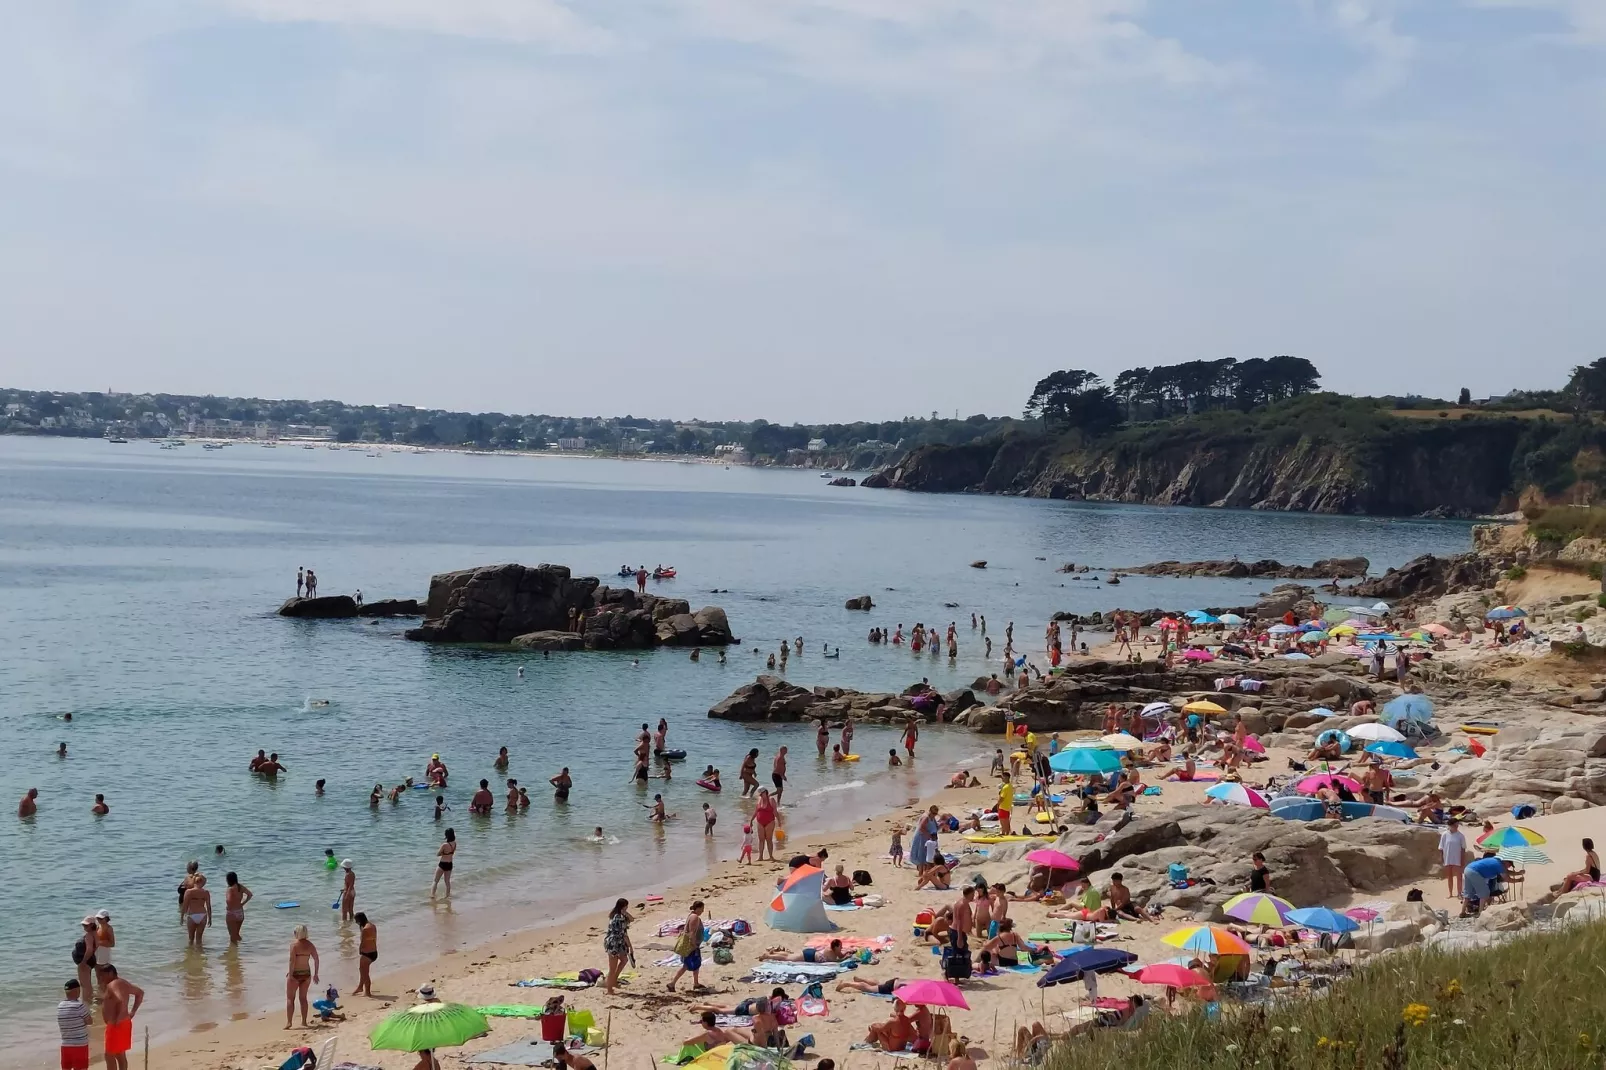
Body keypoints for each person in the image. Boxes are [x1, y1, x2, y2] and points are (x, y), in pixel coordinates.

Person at [97, 964, 143, 1070]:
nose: (101, 979)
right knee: (120, 1055)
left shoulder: (112, 985)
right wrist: (132, 1012)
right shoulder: (123, 983)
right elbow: (140, 993)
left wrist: (118, 1018)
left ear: (110, 973)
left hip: (116, 1025)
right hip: (125, 1023)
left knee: (109, 1056)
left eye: (102, 976)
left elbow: (120, 999)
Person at [285, 925, 319, 1029]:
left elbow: (292, 961)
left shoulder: (294, 945)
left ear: (297, 933)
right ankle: (304, 1021)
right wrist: (316, 974)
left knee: (290, 999)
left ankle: (289, 1022)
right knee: (303, 999)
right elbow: (316, 959)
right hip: (306, 973)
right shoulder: (310, 945)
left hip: (295, 973)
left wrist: (290, 975)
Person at [667, 901, 706, 992]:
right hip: (691, 946)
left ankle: (696, 983)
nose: (703, 911)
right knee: (686, 965)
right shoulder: (694, 917)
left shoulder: (692, 915)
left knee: (696, 965)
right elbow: (691, 933)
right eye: (702, 909)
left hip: (693, 945)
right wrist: (694, 945)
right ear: (698, 908)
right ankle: (672, 983)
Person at [58, 978, 92, 1070]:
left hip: (65, 1045)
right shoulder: (79, 1006)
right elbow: (90, 1021)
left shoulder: (60, 1006)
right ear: (77, 990)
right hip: (80, 1045)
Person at [603, 898, 633, 994]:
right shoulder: (619, 918)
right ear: (624, 906)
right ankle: (609, 989)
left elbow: (632, 919)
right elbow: (624, 934)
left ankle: (614, 980)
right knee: (612, 968)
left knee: (624, 960)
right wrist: (630, 946)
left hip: (617, 943)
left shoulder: (615, 915)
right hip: (614, 944)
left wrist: (625, 913)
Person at [685, 1010, 749, 1048]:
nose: (700, 1023)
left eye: (701, 1021)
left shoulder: (707, 1034)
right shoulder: (719, 1030)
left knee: (688, 1046)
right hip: (720, 1052)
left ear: (706, 1023)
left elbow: (687, 1042)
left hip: (711, 1055)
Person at [1439, 818, 1468, 898]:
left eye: (1457, 825)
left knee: (1459, 877)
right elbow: (1441, 847)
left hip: (1457, 859)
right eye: (1455, 825)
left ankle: (1459, 893)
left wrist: (1462, 859)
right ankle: (1450, 893)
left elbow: (1463, 848)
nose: (1456, 827)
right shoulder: (1444, 834)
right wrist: (1442, 858)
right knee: (1449, 877)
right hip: (1447, 858)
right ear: (1450, 826)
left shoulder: (1460, 836)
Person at [73, 918, 99, 1003]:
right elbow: (96, 946)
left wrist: (83, 962)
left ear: (91, 925)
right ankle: (89, 1001)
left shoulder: (89, 935)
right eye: (83, 924)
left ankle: (86, 1004)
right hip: (90, 960)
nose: (83, 926)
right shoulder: (95, 933)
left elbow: (89, 949)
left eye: (86, 925)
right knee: (87, 984)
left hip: (86, 961)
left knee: (85, 985)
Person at [182, 876, 212, 947]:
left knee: (191, 939)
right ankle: (200, 955)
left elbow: (184, 906)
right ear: (202, 882)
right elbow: (208, 906)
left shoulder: (188, 892)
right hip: (202, 916)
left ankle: (190, 956)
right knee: (199, 939)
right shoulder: (206, 892)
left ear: (194, 882)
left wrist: (181, 917)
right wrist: (210, 918)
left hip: (192, 915)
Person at [224, 871, 253, 943]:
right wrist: (243, 903)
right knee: (236, 934)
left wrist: (228, 906)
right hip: (240, 912)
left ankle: (234, 952)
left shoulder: (230, 889)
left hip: (232, 913)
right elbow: (250, 894)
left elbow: (228, 900)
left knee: (232, 936)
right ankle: (242, 947)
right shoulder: (240, 887)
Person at [356, 913, 378, 996]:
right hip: (374, 952)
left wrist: (360, 950)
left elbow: (363, 942)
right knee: (362, 970)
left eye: (356, 921)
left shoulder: (365, 929)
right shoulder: (372, 926)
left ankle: (368, 992)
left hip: (367, 953)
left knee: (365, 973)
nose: (356, 922)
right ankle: (360, 987)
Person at [754, 789, 778, 862]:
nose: (760, 795)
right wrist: (751, 820)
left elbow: (775, 811)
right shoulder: (759, 800)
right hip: (760, 821)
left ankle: (771, 856)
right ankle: (760, 856)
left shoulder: (771, 800)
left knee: (769, 839)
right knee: (761, 840)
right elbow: (756, 811)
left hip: (770, 821)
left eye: (761, 793)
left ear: (765, 792)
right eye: (760, 794)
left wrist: (779, 821)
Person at [431, 828, 457, 897]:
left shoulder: (444, 845)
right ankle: (447, 896)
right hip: (450, 864)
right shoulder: (454, 843)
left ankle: (432, 895)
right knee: (447, 882)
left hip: (442, 864)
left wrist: (443, 853)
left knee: (435, 881)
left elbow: (438, 854)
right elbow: (452, 853)